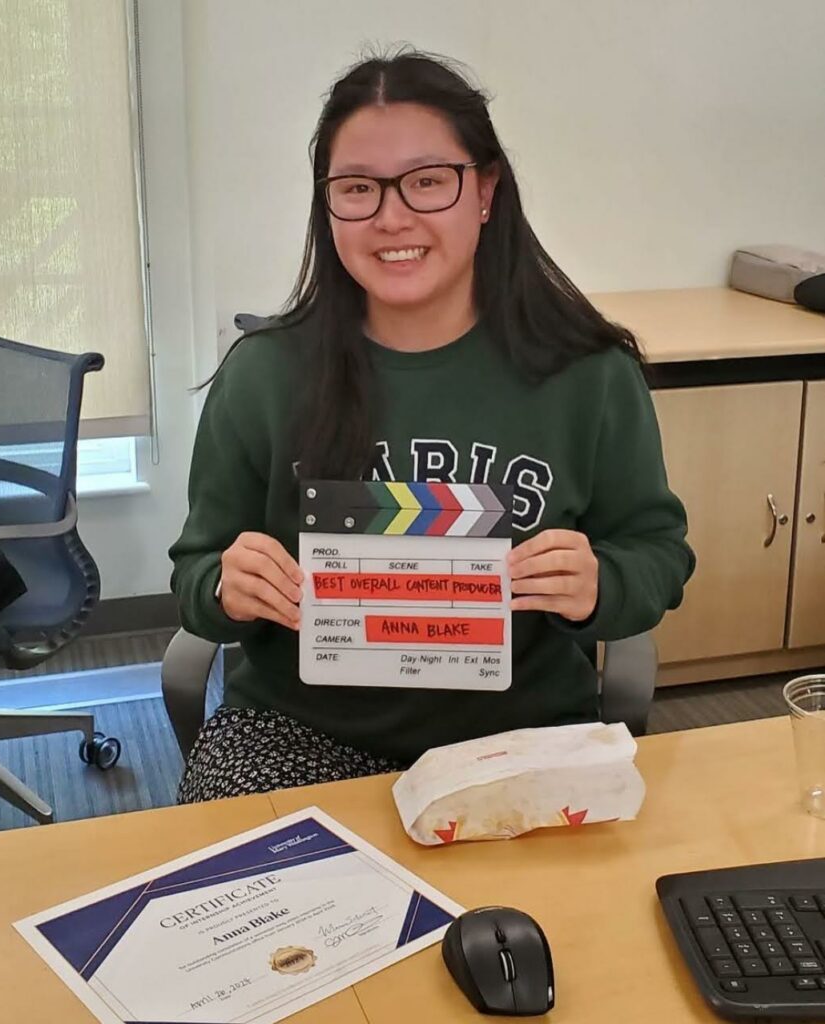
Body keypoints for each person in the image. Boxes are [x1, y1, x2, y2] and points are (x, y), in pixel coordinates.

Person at [169, 49, 695, 803]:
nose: (390, 217)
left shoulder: (589, 375)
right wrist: (227, 586)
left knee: (566, 922)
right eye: (356, 189)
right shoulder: (262, 373)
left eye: (426, 181)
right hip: (296, 728)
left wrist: (598, 583)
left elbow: (657, 556)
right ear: (327, 206)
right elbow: (194, 575)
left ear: (484, 192)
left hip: (523, 734)